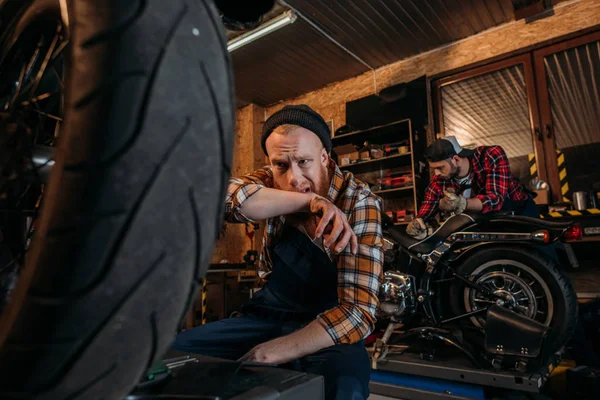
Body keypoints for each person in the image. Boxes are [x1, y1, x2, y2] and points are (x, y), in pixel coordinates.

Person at [171, 104, 383, 400]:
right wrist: (307, 203)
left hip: (328, 324)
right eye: (281, 165)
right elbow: (220, 197)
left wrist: (277, 350)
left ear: (324, 157)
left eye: (304, 162)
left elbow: (357, 313)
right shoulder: (272, 179)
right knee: (172, 355)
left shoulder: (359, 202)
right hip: (266, 315)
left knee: (345, 389)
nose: (294, 178)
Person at [407, 136, 536, 239]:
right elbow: (429, 202)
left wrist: (462, 203)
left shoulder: (490, 156)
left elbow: (495, 199)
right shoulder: (441, 180)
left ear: (456, 159)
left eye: (440, 168)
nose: (436, 174)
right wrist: (418, 223)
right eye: (434, 169)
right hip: (486, 221)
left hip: (519, 213)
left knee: (539, 255)